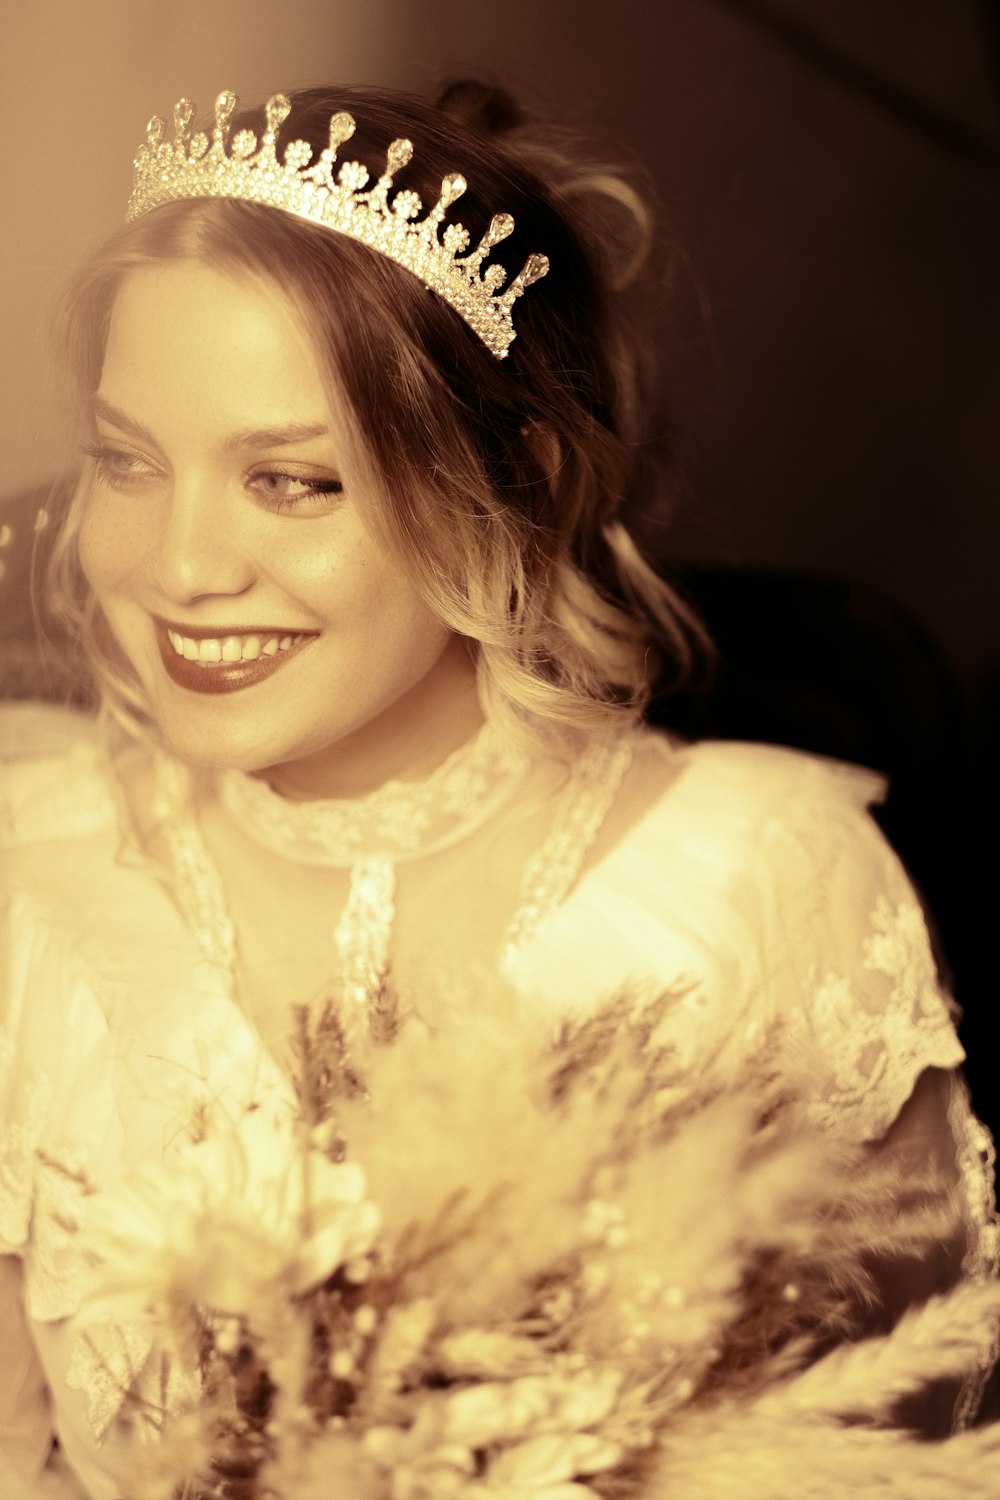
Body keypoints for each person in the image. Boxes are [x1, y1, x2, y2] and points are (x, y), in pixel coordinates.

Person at [0, 79, 995, 1499]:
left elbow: (917, 1452)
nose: (178, 567)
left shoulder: (762, 891)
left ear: (506, 480)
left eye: (292, 482)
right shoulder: (23, 876)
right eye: (126, 462)